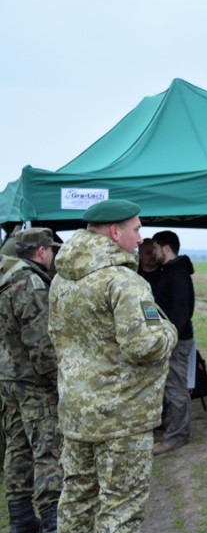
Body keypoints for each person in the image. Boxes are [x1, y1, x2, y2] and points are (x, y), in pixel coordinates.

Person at [48, 199, 177, 532]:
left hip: (77, 410)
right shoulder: (124, 282)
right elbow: (144, 346)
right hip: (122, 417)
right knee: (120, 510)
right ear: (115, 231)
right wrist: (169, 333)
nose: (140, 239)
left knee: (77, 501)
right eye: (136, 230)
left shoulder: (62, 279)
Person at [0, 228, 64, 533]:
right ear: (41, 251)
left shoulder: (7, 278)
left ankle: (22, 519)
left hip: (9, 379)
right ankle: (52, 523)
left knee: (18, 448)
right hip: (34, 383)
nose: (52, 255)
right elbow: (41, 344)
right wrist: (58, 383)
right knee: (48, 450)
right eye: (50, 249)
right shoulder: (32, 283)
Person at [150, 230, 195, 455]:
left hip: (176, 340)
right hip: (170, 339)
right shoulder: (168, 271)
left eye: (155, 248)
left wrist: (170, 342)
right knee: (171, 387)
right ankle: (172, 427)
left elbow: (181, 312)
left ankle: (177, 436)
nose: (152, 253)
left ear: (166, 248)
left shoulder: (177, 274)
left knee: (176, 388)